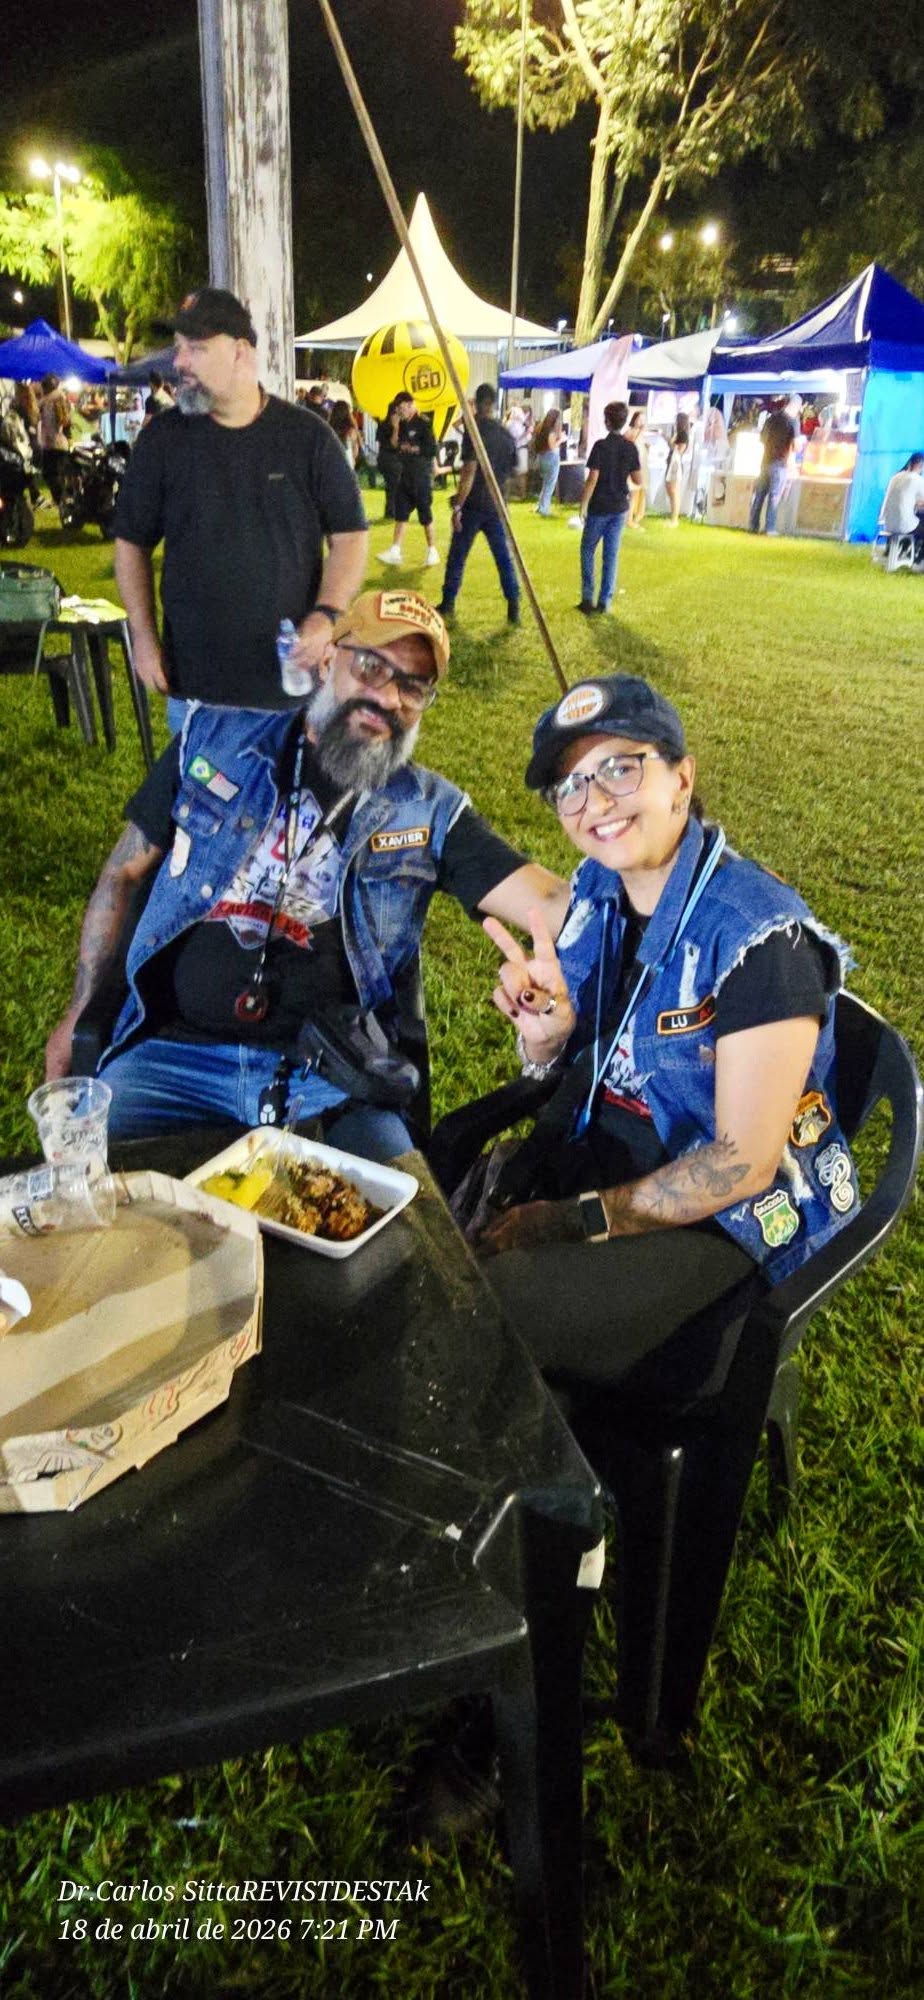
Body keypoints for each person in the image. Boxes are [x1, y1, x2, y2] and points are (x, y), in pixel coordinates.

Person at [44, 591, 570, 1161]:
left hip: (328, 1080)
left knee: (406, 1212)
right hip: (171, 1062)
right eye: (370, 666)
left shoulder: (428, 810)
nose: (387, 697)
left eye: (413, 686)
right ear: (327, 660)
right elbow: (123, 873)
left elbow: (552, 901)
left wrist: (635, 863)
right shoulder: (214, 740)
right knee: (87, 1193)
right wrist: (80, 1010)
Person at [468, 671, 857, 1412]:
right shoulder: (601, 892)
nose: (595, 803)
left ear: (681, 780)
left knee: (483, 1310)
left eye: (620, 768)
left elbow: (742, 1165)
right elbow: (585, 1060)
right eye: (571, 786)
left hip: (728, 1233)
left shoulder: (756, 935)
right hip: (609, 1166)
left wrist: (570, 1221)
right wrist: (548, 1041)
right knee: (431, 1240)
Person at [113, 289, 368, 727]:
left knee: (291, 775)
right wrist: (143, 637)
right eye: (178, 347)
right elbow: (131, 543)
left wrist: (327, 615)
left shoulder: (307, 438)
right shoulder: (162, 441)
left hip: (291, 689)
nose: (179, 362)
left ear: (240, 352)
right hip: (195, 692)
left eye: (196, 348)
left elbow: (350, 535)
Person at [437, 383, 520, 626]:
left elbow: (469, 472)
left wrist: (457, 506)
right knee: (503, 557)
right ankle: (513, 602)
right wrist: (505, 504)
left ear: (477, 403)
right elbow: (512, 474)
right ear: (493, 404)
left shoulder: (474, 431)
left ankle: (448, 602)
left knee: (458, 555)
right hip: (496, 505)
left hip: (474, 505)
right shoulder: (506, 435)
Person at [577, 400, 642, 614]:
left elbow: (592, 479)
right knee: (611, 555)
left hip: (600, 506)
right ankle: (605, 600)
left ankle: (588, 597)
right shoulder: (630, 448)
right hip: (619, 507)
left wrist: (583, 504)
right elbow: (638, 479)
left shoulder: (600, 447)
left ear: (607, 421)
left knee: (587, 549)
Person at [378, 395, 440, 568]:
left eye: (402, 407)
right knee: (401, 513)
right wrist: (396, 427)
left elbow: (431, 449)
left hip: (421, 476)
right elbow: (393, 445)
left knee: (425, 514)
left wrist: (414, 448)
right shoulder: (402, 425)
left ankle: (432, 550)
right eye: (398, 409)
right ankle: (395, 550)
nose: (400, 411)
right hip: (405, 475)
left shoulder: (423, 423)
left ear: (411, 405)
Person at [748, 398, 795, 536]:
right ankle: (770, 528)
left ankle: (753, 525)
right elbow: (796, 445)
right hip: (780, 463)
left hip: (765, 461)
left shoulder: (770, 419)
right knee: (774, 497)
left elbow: (762, 439)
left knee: (759, 495)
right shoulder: (792, 422)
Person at [37, 373, 72, 502]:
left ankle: (61, 500)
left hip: (54, 443)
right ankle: (62, 500)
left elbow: (59, 422)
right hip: (56, 443)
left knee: (52, 474)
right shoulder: (57, 399)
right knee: (54, 474)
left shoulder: (52, 401)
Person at [879, 453, 924, 553]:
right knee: (919, 525)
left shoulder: (895, 477)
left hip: (887, 523)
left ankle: (895, 551)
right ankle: (918, 557)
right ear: (920, 465)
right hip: (904, 525)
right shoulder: (916, 479)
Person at [375, 396, 404, 521]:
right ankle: (392, 511)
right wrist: (396, 428)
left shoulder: (384, 425)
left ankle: (391, 510)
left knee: (392, 486)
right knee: (394, 485)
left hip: (389, 459)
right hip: (390, 459)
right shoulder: (386, 426)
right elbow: (393, 444)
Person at [532, 408, 563, 517]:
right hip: (551, 458)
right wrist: (561, 440)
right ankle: (544, 508)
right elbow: (552, 446)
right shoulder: (551, 432)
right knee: (550, 485)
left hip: (542, 458)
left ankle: (541, 506)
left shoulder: (541, 429)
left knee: (545, 484)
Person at [664, 411, 690, 527]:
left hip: (676, 464)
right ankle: (672, 516)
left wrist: (671, 442)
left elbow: (680, 450)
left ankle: (675, 519)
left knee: (674, 491)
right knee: (670, 490)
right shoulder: (678, 433)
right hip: (671, 462)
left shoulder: (683, 435)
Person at [625, 408, 649, 527]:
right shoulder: (630, 432)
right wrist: (639, 432)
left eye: (643, 420)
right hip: (633, 466)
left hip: (642, 465)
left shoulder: (643, 434)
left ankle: (637, 516)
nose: (641, 422)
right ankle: (629, 519)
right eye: (639, 419)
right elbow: (629, 444)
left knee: (641, 491)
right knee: (633, 492)